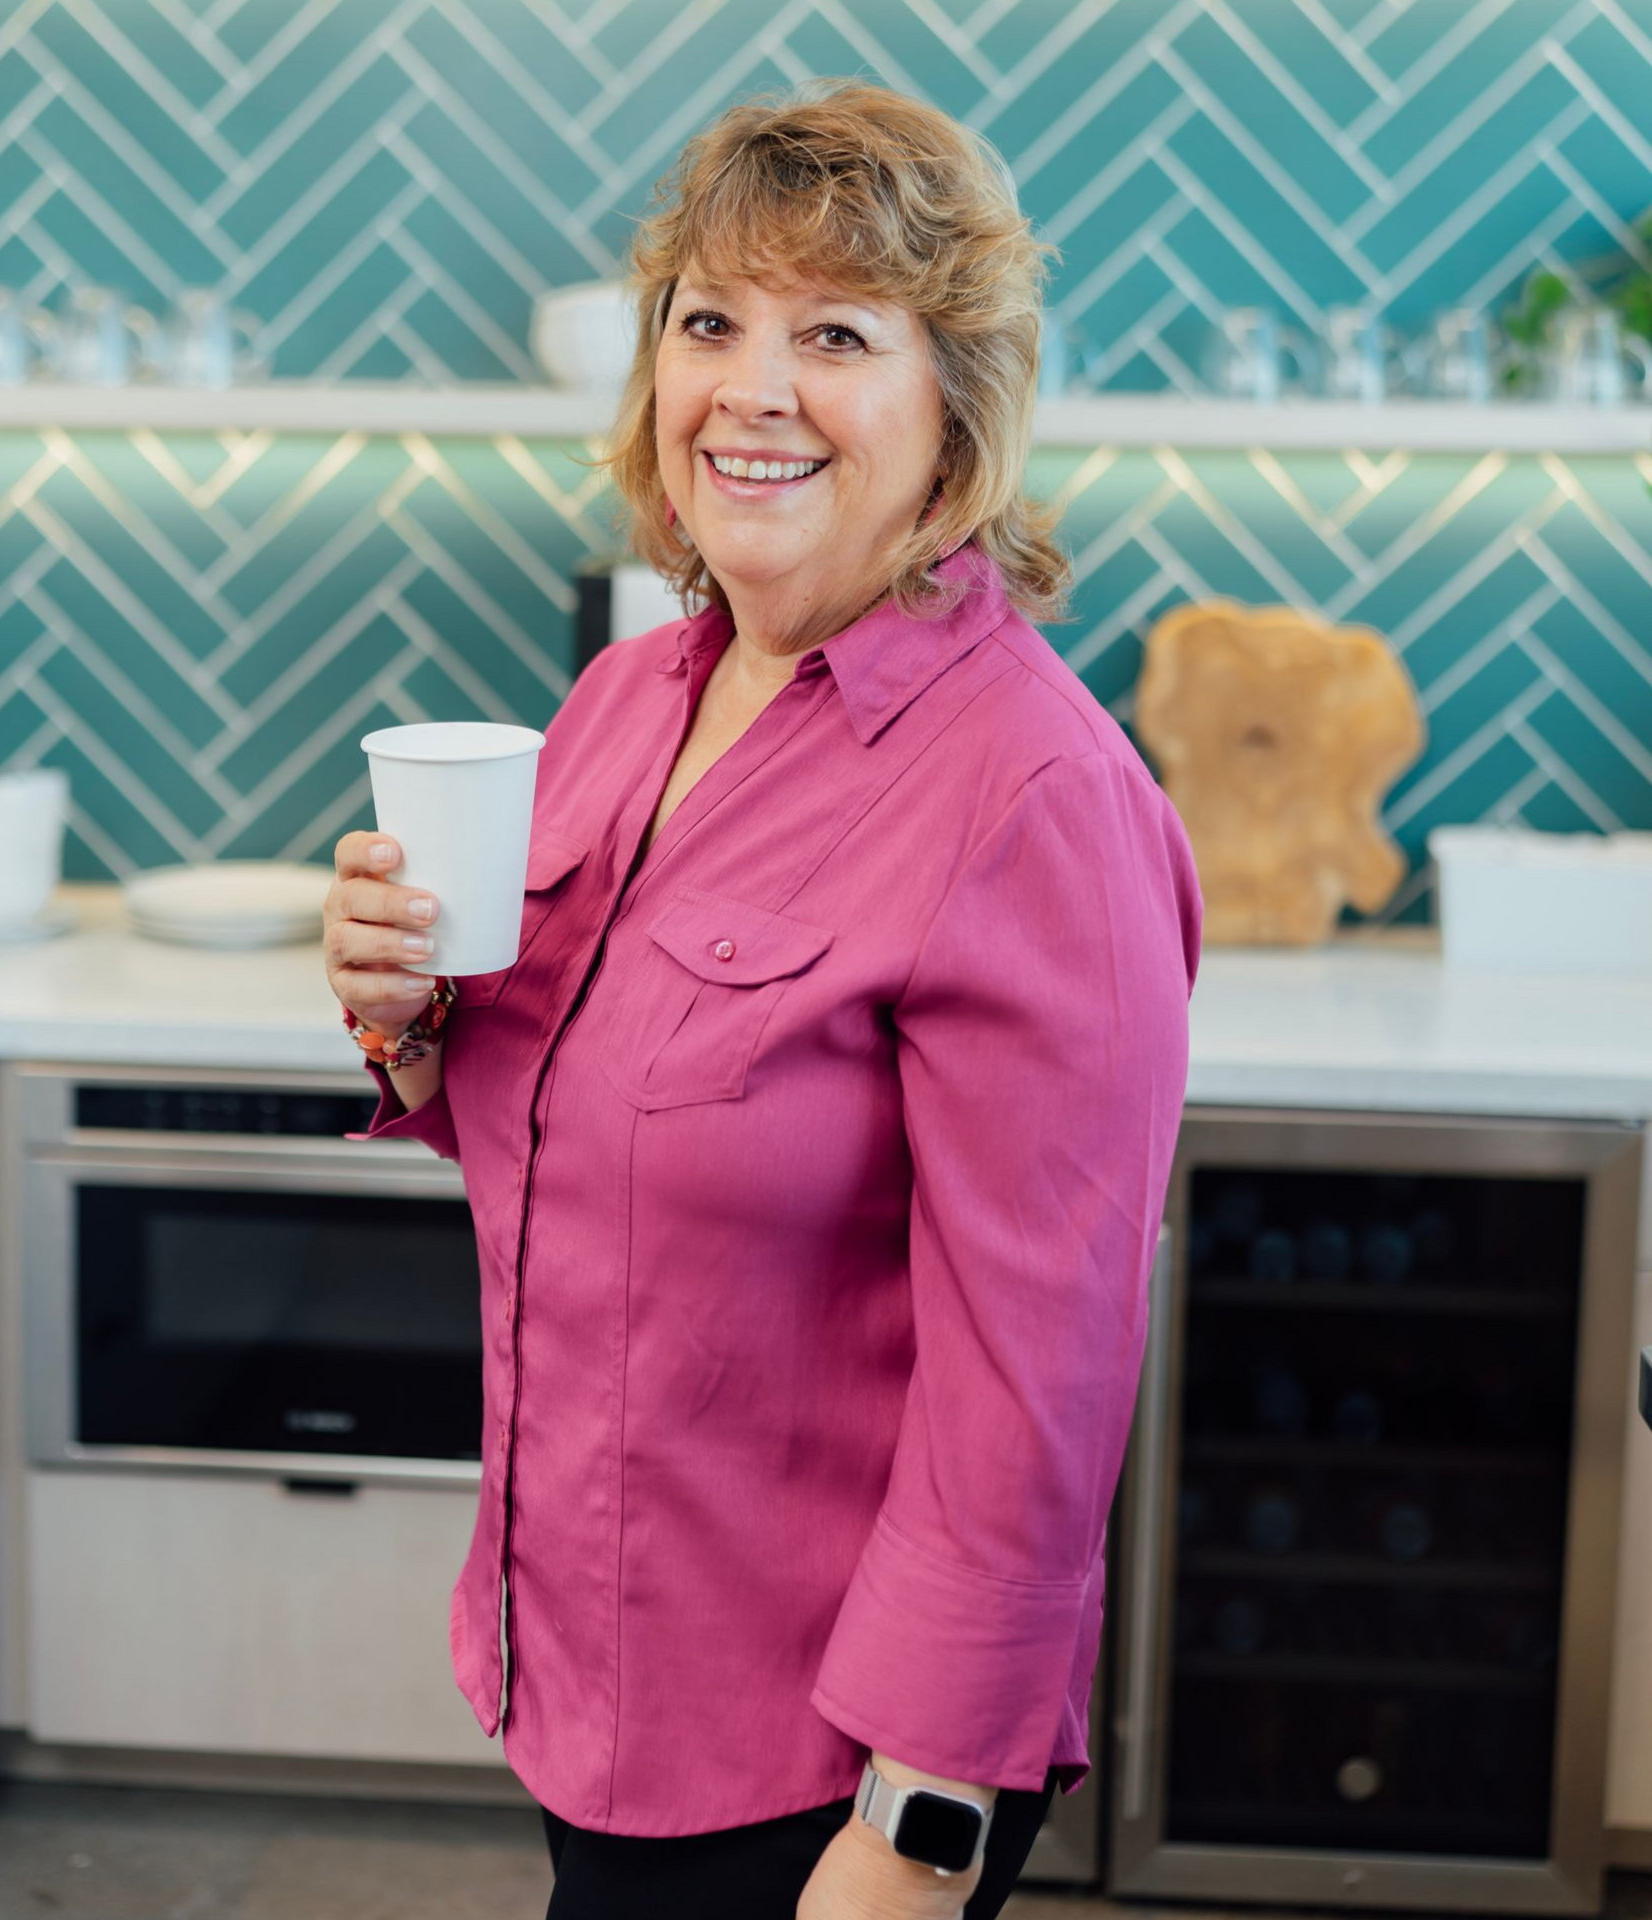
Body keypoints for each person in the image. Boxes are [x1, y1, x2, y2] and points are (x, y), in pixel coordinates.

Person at [323, 78, 1203, 1920]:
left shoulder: (1036, 799)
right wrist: (408, 1014)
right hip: (585, 1668)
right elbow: (568, 1092)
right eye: (710, 323)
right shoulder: (630, 701)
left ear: (956, 403)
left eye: (837, 334)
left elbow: (1032, 1410)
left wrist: (920, 1829)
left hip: (819, 1765)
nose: (753, 385)